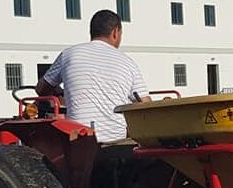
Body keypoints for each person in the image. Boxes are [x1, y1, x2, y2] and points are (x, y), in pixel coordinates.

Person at [36, 9, 151, 143]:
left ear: (92, 32)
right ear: (115, 32)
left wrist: (58, 92)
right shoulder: (127, 62)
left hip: (78, 141)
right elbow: (145, 104)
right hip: (118, 141)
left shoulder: (68, 55)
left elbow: (41, 89)